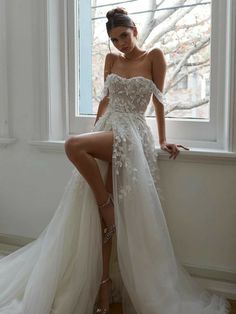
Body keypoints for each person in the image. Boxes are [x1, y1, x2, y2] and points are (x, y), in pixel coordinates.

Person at [0, 6, 231, 314]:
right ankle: (103, 290)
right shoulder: (111, 60)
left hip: (133, 133)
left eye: (124, 36)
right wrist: (95, 130)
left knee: (75, 150)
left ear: (134, 30)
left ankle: (105, 203)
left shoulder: (154, 56)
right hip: (108, 130)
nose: (121, 43)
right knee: (96, 216)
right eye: (114, 40)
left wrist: (162, 140)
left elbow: (159, 102)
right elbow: (105, 100)